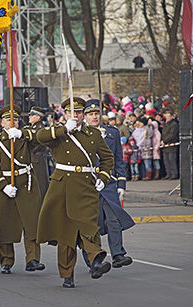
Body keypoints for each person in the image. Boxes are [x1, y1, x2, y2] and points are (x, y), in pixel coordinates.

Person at [36, 97, 114, 288]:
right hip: (62, 186)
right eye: (71, 112)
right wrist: (64, 129)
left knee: (88, 225)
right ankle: (67, 274)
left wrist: (103, 178)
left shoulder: (93, 135)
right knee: (66, 234)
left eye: (79, 112)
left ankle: (96, 261)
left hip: (86, 185)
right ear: (65, 114)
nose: (76, 116)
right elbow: (40, 137)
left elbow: (107, 158)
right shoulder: (58, 133)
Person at [0, 105, 45, 274]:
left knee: (32, 222)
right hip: (7, 183)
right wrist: (3, 186)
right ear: (1, 123)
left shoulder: (24, 136)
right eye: (8, 120)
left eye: (15, 120)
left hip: (26, 183)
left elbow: (40, 136)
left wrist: (22, 134)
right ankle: (6, 261)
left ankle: (33, 259)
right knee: (6, 224)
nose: (12, 122)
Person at [83, 100, 135, 269]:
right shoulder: (79, 134)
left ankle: (118, 254)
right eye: (90, 114)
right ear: (85, 117)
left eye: (96, 113)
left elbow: (118, 160)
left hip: (108, 183)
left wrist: (121, 183)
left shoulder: (112, 133)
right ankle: (93, 259)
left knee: (114, 219)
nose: (94, 117)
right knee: (91, 224)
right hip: (88, 183)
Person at [28, 106, 50, 201]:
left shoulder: (39, 129)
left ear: (38, 117)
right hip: (34, 159)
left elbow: (36, 144)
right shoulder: (33, 128)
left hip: (37, 159)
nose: (29, 117)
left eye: (32, 115)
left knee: (40, 186)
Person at [160, 107, 179, 180]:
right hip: (165, 146)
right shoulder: (165, 124)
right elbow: (163, 133)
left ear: (171, 117)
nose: (166, 118)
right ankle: (168, 173)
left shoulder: (174, 124)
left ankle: (174, 173)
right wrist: (162, 140)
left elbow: (172, 135)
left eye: (168, 117)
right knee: (166, 161)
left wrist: (165, 140)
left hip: (171, 145)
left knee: (172, 160)